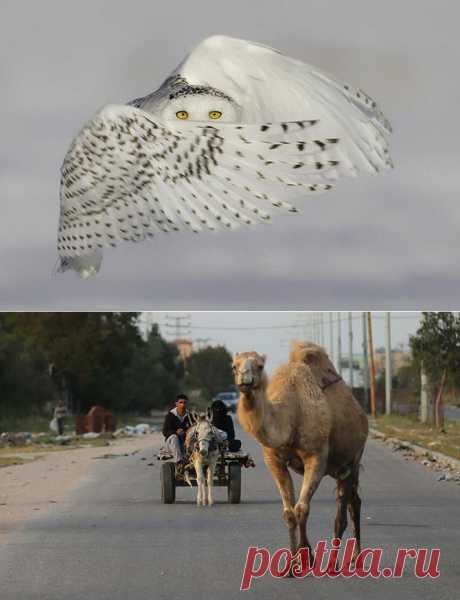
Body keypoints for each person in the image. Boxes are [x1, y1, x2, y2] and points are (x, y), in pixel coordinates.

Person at [162, 394, 192, 470]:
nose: (183, 405)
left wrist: (187, 431)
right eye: (181, 402)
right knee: (174, 437)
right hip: (172, 442)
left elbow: (194, 427)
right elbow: (165, 431)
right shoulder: (170, 415)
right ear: (176, 404)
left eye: (185, 403)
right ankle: (179, 462)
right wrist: (176, 432)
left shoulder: (190, 416)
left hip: (186, 442)